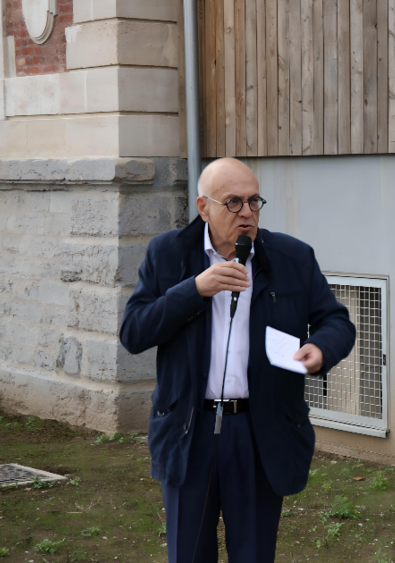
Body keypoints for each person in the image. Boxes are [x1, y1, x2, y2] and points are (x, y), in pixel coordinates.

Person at [119, 158, 356, 562]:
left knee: (254, 553)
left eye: (253, 202)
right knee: (189, 553)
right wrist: (193, 290)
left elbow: (336, 320)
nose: (246, 213)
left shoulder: (291, 257)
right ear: (203, 207)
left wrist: (321, 349)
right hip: (188, 432)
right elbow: (135, 333)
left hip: (259, 431)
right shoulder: (168, 254)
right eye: (233, 203)